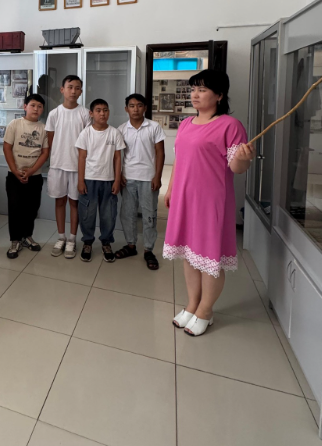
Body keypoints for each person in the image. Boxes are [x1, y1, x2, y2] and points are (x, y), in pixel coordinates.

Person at [164, 70, 255, 337]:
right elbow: (179, 159)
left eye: (202, 90)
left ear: (219, 95)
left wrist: (244, 158)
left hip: (211, 202)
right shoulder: (186, 123)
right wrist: (171, 188)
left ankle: (205, 310)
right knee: (189, 254)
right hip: (185, 198)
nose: (195, 94)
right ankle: (192, 304)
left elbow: (236, 167)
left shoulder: (230, 125)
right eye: (193, 89)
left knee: (209, 257)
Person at [116, 94, 166, 270]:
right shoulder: (121, 129)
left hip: (148, 178)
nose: (135, 109)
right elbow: (118, 155)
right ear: (126, 109)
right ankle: (131, 245)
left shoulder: (154, 127)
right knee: (127, 213)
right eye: (131, 106)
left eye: (139, 105)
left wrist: (157, 176)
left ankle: (148, 250)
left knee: (149, 215)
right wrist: (119, 174)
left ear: (145, 108)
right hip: (128, 177)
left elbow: (160, 153)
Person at [45, 75, 90, 259]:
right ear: (62, 90)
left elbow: (88, 142)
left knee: (74, 203)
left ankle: (72, 239)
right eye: (70, 87)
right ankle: (61, 237)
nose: (73, 91)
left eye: (77, 88)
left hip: (77, 166)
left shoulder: (85, 114)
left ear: (81, 92)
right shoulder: (54, 114)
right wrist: (56, 157)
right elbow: (50, 140)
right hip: (58, 165)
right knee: (59, 201)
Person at [75, 99, 125, 262]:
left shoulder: (114, 133)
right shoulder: (86, 133)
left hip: (108, 180)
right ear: (91, 113)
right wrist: (80, 181)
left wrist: (117, 180)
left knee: (108, 214)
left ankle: (106, 242)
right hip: (89, 179)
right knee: (87, 214)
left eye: (105, 110)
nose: (102, 113)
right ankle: (87, 242)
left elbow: (117, 158)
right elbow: (81, 158)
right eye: (98, 110)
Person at [3, 94, 50, 258]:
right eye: (33, 105)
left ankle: (27, 236)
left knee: (32, 208)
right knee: (15, 207)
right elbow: (7, 148)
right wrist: (15, 170)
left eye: (39, 106)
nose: (36, 109)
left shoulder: (44, 128)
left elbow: (45, 153)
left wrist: (31, 171)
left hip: (35, 176)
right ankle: (15, 240)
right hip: (14, 175)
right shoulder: (15, 124)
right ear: (25, 107)